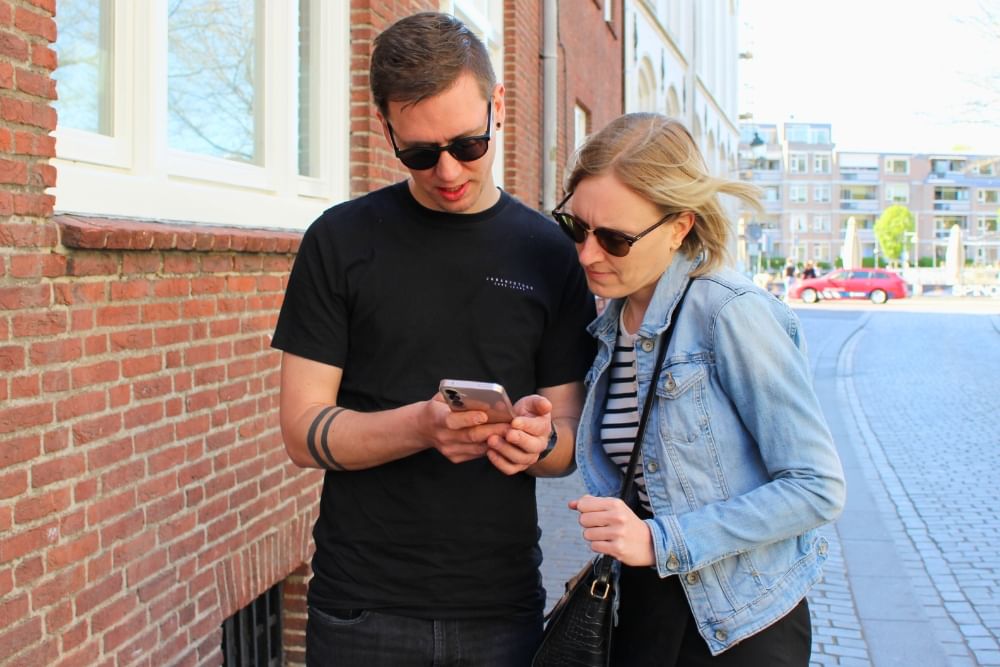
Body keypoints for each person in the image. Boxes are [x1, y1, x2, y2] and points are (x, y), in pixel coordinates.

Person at [270, 12, 596, 666]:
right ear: (386, 129)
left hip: (499, 607)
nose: (447, 170)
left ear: (497, 105)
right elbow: (300, 429)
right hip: (360, 604)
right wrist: (422, 426)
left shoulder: (550, 253)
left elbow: (565, 443)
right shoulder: (339, 241)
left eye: (467, 144)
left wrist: (537, 439)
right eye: (419, 152)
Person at [550, 113, 846, 665]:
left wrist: (663, 541)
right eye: (576, 228)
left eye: (614, 238)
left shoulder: (729, 313)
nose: (587, 254)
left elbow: (817, 486)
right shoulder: (611, 324)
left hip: (738, 626)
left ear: (680, 226)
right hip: (644, 611)